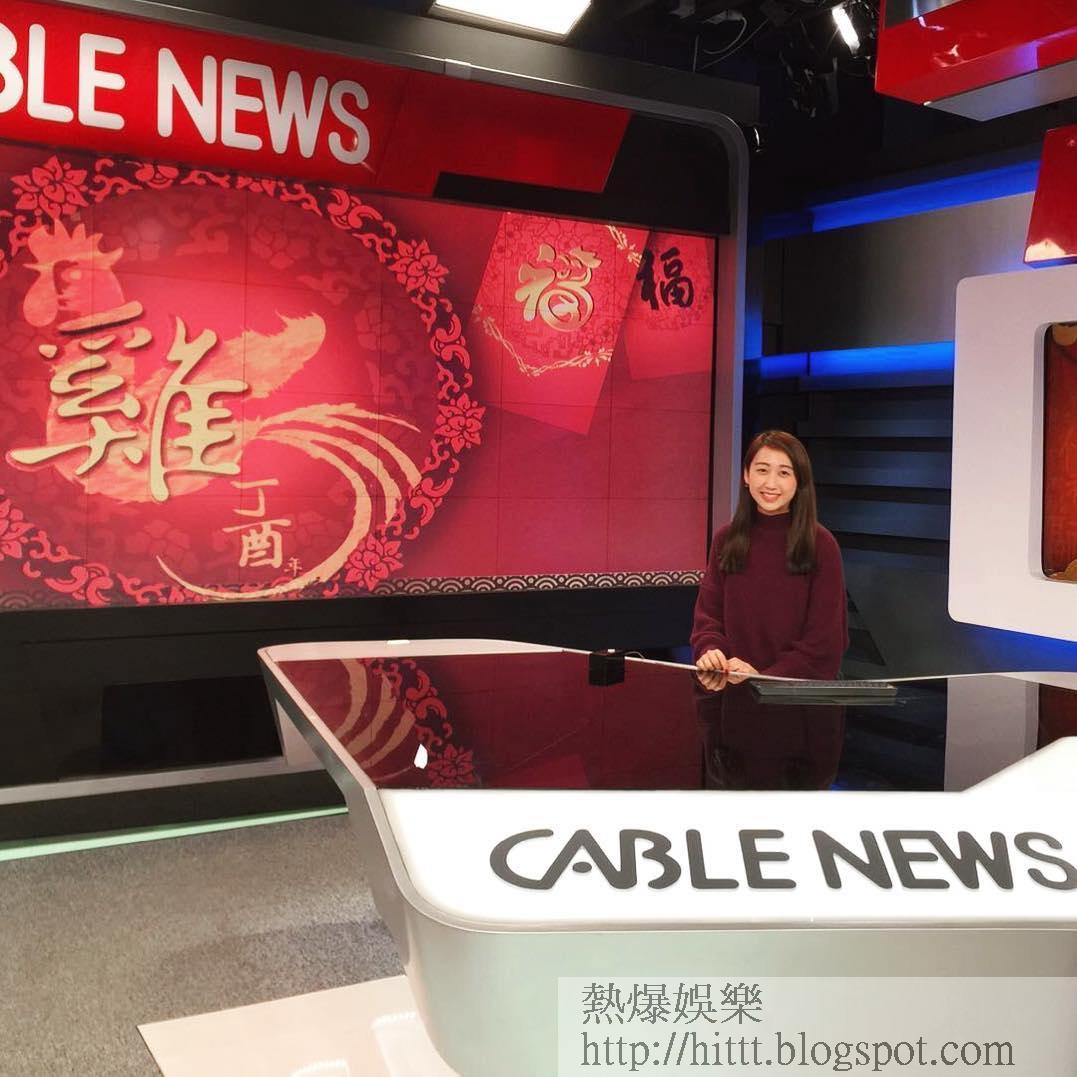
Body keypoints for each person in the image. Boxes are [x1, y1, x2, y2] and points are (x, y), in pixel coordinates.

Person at [692, 429, 847, 682]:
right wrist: (711, 651)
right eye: (762, 470)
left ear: (799, 481)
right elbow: (708, 618)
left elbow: (824, 643)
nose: (771, 484)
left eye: (784, 473)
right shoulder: (725, 539)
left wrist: (764, 678)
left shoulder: (821, 544)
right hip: (731, 690)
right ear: (746, 475)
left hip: (794, 696)